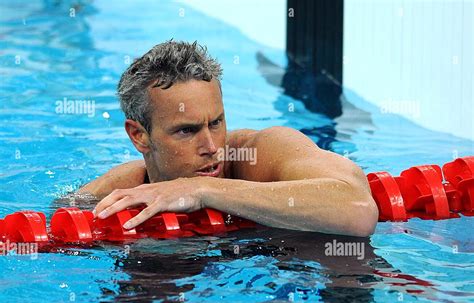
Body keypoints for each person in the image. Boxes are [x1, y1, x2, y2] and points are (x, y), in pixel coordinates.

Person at [78, 40, 378, 237]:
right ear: (139, 136)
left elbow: (358, 208)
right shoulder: (118, 189)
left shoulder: (264, 152)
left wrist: (201, 189)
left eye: (216, 123)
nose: (211, 147)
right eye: (187, 130)